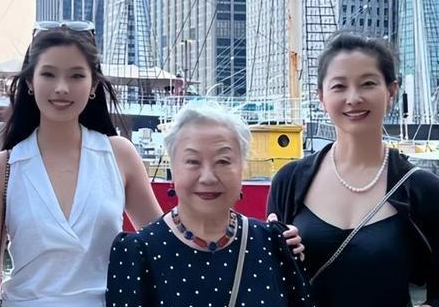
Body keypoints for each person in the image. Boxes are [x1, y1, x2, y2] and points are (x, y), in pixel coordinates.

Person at [0, 22, 163, 307]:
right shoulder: (2, 169)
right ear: (30, 82)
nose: (61, 88)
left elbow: (161, 251)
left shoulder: (119, 155)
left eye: (76, 76)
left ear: (93, 85)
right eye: (48, 74)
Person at [267, 31, 439, 307]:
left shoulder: (422, 189)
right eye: (339, 86)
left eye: (368, 84)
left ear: (391, 91)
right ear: (321, 96)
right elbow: (272, 283)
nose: (353, 97)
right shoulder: (290, 181)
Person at [106, 103, 314, 307]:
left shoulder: (275, 245)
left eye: (223, 161)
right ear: (173, 169)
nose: (208, 177)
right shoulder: (137, 253)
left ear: (242, 167)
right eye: (193, 161)